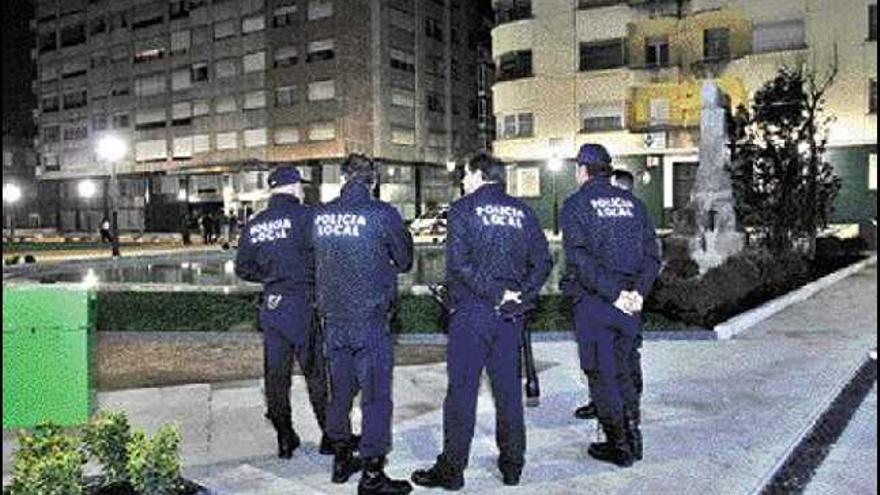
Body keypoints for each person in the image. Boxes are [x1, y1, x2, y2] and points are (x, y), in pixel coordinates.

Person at [411, 153, 553, 490]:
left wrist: (494, 294)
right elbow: (543, 262)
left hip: (473, 312)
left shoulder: (462, 209)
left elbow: (459, 265)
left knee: (461, 393)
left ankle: (452, 470)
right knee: (508, 394)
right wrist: (519, 295)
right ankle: (512, 466)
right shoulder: (523, 212)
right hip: (509, 317)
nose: (462, 181)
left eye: (465, 174)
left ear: (477, 174)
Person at [313, 154, 414, 495]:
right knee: (375, 397)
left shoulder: (322, 215)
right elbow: (404, 260)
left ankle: (341, 460)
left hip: (333, 320)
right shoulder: (382, 214)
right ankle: (372, 474)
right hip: (369, 320)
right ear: (373, 180)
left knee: (339, 393)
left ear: (343, 177)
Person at [560, 145, 660, 468]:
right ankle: (634, 433)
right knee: (626, 370)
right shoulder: (635, 205)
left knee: (602, 375)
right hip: (631, 303)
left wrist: (613, 293)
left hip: (596, 302)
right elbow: (652, 256)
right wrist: (638, 294)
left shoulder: (575, 205)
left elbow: (579, 259)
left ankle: (619, 445)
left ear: (582, 170)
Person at [234, 166, 330, 460]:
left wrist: (270, 276)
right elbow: (326, 254)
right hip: (303, 304)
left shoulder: (256, 223)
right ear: (293, 186)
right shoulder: (307, 217)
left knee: (276, 378)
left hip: (272, 307)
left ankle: (285, 439)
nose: (302, 190)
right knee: (316, 375)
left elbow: (242, 268)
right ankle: (331, 437)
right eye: (300, 185)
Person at [573, 167, 638, 421]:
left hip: (621, 300)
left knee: (625, 360)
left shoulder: (632, 217)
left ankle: (628, 414)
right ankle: (601, 403)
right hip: (600, 298)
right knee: (598, 357)